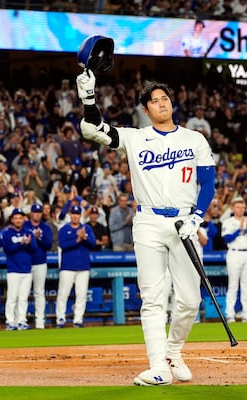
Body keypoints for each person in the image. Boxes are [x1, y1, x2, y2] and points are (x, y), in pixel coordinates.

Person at [77, 69, 215, 386]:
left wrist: (197, 217)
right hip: (148, 221)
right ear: (146, 109)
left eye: (165, 97)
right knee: (152, 298)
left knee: (191, 300)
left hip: (185, 221)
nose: (161, 102)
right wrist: (88, 98)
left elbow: (208, 183)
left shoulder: (195, 138)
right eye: (154, 100)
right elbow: (93, 130)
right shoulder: (136, 137)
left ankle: (173, 352)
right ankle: (158, 367)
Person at [56, 205, 96, 328]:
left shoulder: (86, 228)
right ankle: (60, 318)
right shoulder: (64, 229)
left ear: (80, 216)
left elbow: (93, 244)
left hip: (83, 267)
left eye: (77, 214)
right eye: (73, 213)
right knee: (63, 294)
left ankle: (78, 319)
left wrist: (85, 237)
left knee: (81, 294)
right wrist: (77, 239)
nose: (75, 216)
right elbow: (63, 245)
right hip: (68, 266)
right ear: (70, 215)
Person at [221, 197, 247, 323]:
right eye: (238, 207)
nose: (240, 210)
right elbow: (227, 239)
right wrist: (240, 228)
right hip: (234, 253)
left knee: (245, 285)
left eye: (243, 208)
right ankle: (230, 314)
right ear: (232, 209)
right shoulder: (228, 222)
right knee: (233, 285)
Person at [2, 208, 38, 330]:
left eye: (20, 218)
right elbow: (8, 250)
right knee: (12, 297)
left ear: (23, 219)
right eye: (16, 218)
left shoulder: (28, 232)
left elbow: (34, 249)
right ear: (12, 220)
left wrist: (28, 244)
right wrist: (20, 244)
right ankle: (10, 321)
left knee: (23, 297)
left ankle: (21, 320)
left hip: (26, 269)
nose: (18, 220)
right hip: (13, 269)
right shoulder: (8, 233)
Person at [24, 203, 54, 329]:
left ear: (42, 214)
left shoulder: (46, 228)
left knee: (39, 292)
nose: (36, 214)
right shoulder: (25, 226)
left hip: (40, 262)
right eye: (35, 212)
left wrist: (39, 237)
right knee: (23, 293)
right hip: (25, 262)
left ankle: (40, 321)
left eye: (39, 212)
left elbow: (48, 245)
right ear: (31, 213)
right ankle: (21, 320)